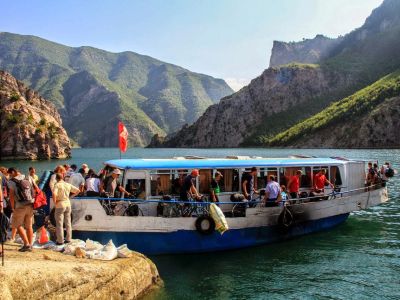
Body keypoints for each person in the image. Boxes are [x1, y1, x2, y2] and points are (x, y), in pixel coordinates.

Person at [7, 167, 35, 252]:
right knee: (29, 226)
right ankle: (30, 245)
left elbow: (11, 196)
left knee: (17, 225)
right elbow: (34, 190)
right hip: (30, 204)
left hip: (20, 206)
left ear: (13, 172)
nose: (9, 176)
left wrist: (12, 207)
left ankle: (26, 244)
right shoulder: (28, 177)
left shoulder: (12, 181)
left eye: (9, 174)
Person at [53, 173, 80, 245]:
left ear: (56, 178)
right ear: (63, 178)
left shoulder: (57, 185)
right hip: (68, 204)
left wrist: (55, 203)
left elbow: (54, 194)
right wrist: (70, 197)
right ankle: (68, 239)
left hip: (60, 204)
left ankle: (60, 240)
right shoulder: (67, 184)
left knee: (59, 224)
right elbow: (78, 191)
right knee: (68, 223)